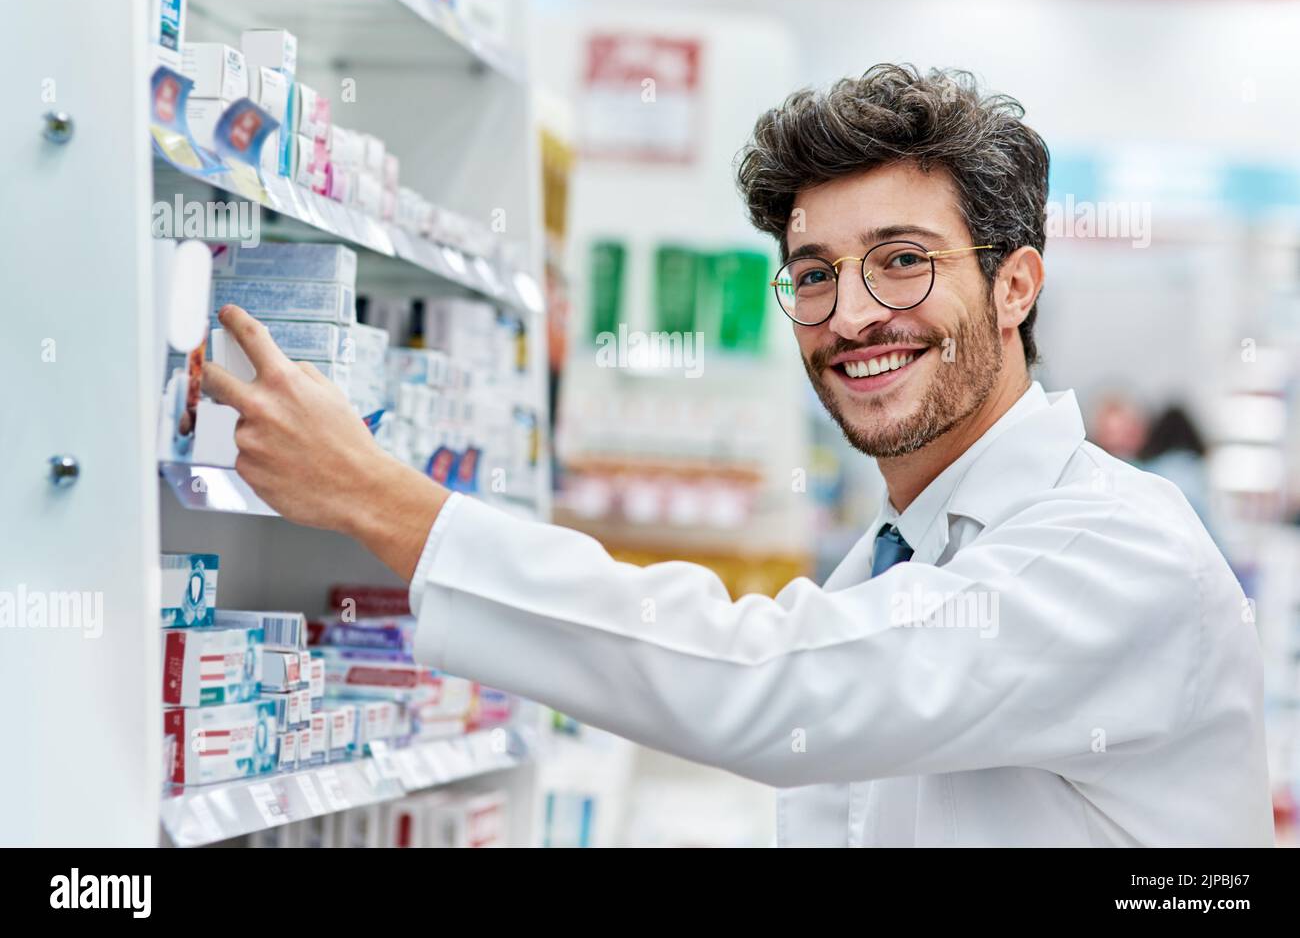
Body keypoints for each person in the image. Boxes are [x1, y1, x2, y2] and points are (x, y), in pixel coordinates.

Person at [203, 64, 1272, 847]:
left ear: (1015, 286)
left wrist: (386, 503)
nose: (851, 315)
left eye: (901, 262)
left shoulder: (1111, 549)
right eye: (813, 274)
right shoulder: (903, 557)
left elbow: (771, 686)